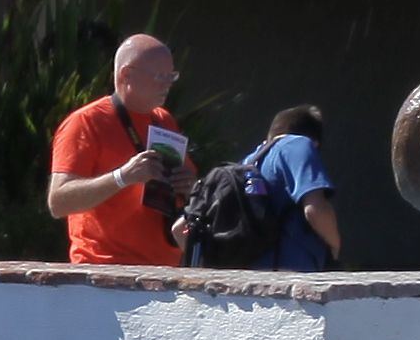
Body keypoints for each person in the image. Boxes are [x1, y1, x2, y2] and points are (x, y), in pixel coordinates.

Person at [44, 33, 193, 268]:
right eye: (160, 76)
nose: (167, 84)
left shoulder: (164, 120)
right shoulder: (86, 123)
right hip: (105, 272)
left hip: (163, 271)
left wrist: (189, 184)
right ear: (126, 75)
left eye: (171, 76)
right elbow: (58, 202)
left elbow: (186, 184)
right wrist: (122, 177)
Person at [205, 101, 346, 271]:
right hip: (292, 274)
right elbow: (315, 209)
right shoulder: (298, 144)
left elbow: (180, 229)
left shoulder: (248, 162)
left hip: (252, 276)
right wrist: (335, 245)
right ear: (315, 142)